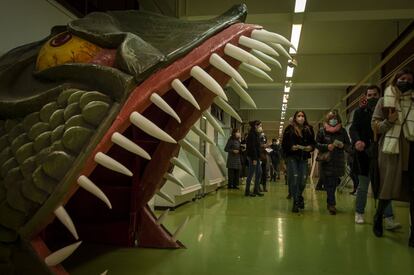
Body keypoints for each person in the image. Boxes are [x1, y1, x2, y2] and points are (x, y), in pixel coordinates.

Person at [371, 67, 414, 247]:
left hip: (411, 148)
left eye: (409, 79)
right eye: (402, 78)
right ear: (395, 80)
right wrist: (390, 120)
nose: (405, 81)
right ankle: (378, 217)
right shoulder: (384, 100)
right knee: (387, 188)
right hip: (391, 149)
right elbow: (375, 126)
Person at [350, 85, 400, 228]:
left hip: (383, 152)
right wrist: (357, 141)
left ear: (380, 96)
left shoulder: (386, 111)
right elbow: (354, 128)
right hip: (364, 154)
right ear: (365, 97)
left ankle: (389, 218)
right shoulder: (359, 112)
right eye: (369, 95)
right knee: (363, 186)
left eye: (375, 95)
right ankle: (359, 212)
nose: (372, 97)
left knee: (385, 186)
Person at [316, 110, 351, 215]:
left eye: (335, 118)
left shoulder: (343, 131)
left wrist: (343, 146)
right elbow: (316, 144)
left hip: (338, 161)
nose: (333, 120)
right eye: (331, 119)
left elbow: (348, 146)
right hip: (326, 160)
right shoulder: (322, 131)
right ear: (327, 120)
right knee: (330, 183)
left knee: (334, 183)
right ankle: (332, 204)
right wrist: (327, 146)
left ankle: (330, 202)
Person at [282, 111, 315, 212]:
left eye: (302, 116)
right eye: (298, 116)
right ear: (295, 118)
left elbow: (313, 143)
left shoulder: (309, 129)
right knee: (295, 178)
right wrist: (291, 147)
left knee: (303, 180)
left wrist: (311, 147)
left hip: (303, 157)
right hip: (292, 157)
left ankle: (299, 196)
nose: (301, 118)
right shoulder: (289, 129)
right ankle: (296, 201)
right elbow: (284, 144)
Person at [245, 120, 264, 197]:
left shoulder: (256, 134)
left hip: (256, 157)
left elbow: (257, 147)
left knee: (259, 172)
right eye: (260, 125)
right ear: (255, 126)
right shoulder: (252, 134)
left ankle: (256, 189)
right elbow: (252, 147)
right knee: (251, 173)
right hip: (253, 157)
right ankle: (247, 191)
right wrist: (254, 159)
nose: (260, 127)